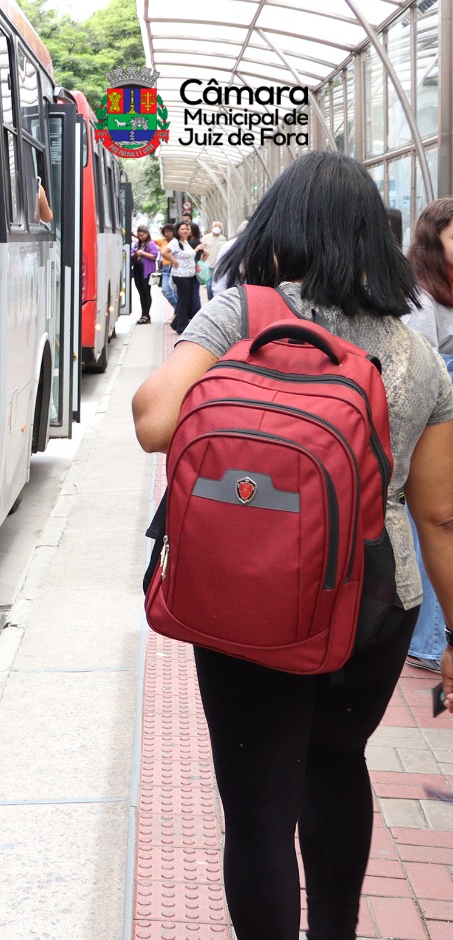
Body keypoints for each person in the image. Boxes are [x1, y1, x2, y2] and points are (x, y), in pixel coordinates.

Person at [131, 150, 453, 940]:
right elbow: (440, 516)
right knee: (339, 766)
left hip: (253, 595)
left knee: (260, 809)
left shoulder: (242, 313)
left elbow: (151, 421)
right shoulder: (419, 359)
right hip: (378, 609)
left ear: (278, 231)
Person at [402, 197, 453, 672]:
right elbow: (424, 367)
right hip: (438, 416)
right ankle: (430, 641)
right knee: (437, 520)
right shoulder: (421, 293)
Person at [160, 220, 205, 332]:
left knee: (185, 300)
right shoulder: (175, 242)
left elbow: (189, 255)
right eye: (182, 229)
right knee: (184, 301)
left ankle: (176, 324)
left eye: (187, 229)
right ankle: (181, 327)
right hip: (180, 275)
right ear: (177, 230)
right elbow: (164, 253)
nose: (185, 231)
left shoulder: (185, 242)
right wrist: (173, 261)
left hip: (189, 274)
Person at [131, 224, 159, 324]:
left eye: (142, 235)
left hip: (147, 272)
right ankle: (144, 314)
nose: (141, 237)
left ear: (147, 234)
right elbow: (131, 253)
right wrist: (135, 254)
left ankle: (145, 315)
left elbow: (154, 256)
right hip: (138, 270)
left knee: (146, 292)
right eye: (139, 235)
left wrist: (142, 253)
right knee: (141, 293)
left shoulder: (150, 244)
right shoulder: (137, 244)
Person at [200, 220, 227, 300]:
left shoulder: (223, 239)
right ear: (212, 228)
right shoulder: (206, 238)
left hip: (219, 264)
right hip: (208, 264)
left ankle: (215, 300)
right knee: (209, 284)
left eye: (219, 227)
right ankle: (210, 299)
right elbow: (202, 249)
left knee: (217, 284)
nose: (217, 228)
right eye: (216, 226)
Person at [156, 219, 179, 309]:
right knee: (166, 290)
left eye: (170, 231)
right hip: (165, 269)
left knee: (177, 292)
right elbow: (149, 240)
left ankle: (179, 313)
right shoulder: (162, 241)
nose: (167, 233)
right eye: (165, 232)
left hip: (176, 268)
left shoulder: (177, 241)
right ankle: (178, 310)